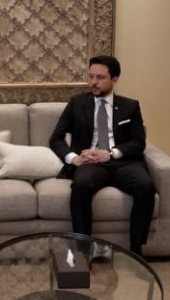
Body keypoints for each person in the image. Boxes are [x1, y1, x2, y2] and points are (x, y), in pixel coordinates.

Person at [49, 55, 155, 255]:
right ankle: (83, 249)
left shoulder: (130, 106)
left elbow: (138, 143)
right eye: (91, 76)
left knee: (145, 186)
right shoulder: (77, 103)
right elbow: (56, 138)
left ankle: (136, 250)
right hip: (90, 163)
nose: (94, 82)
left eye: (100, 77)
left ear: (114, 79)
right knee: (80, 186)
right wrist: (73, 158)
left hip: (123, 162)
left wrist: (111, 153)